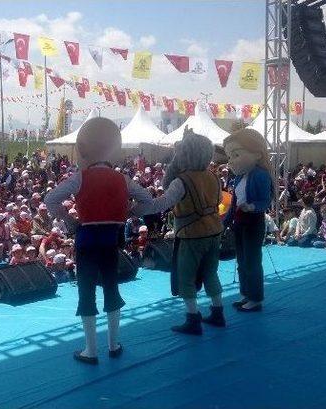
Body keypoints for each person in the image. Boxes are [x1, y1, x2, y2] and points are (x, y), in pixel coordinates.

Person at [45, 117, 152, 364]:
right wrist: (126, 213)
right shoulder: (122, 179)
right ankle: (113, 345)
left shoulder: (79, 177)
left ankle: (90, 350)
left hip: (86, 241)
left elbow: (51, 200)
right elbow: (146, 200)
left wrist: (69, 220)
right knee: (112, 288)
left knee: (86, 291)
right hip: (111, 240)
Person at [135, 127, 225, 334]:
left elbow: (163, 203)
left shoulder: (181, 180)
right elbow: (219, 200)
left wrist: (138, 208)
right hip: (214, 232)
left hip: (191, 234)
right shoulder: (213, 177)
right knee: (211, 273)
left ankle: (193, 319)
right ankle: (218, 313)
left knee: (185, 277)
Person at [223, 128, 274, 312]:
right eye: (229, 156)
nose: (230, 161)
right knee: (242, 261)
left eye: (235, 154)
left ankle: (256, 298)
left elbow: (265, 200)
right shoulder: (238, 178)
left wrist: (252, 207)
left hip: (254, 222)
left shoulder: (260, 174)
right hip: (239, 223)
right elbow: (234, 203)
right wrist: (224, 224)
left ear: (257, 154)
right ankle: (245, 294)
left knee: (252, 261)